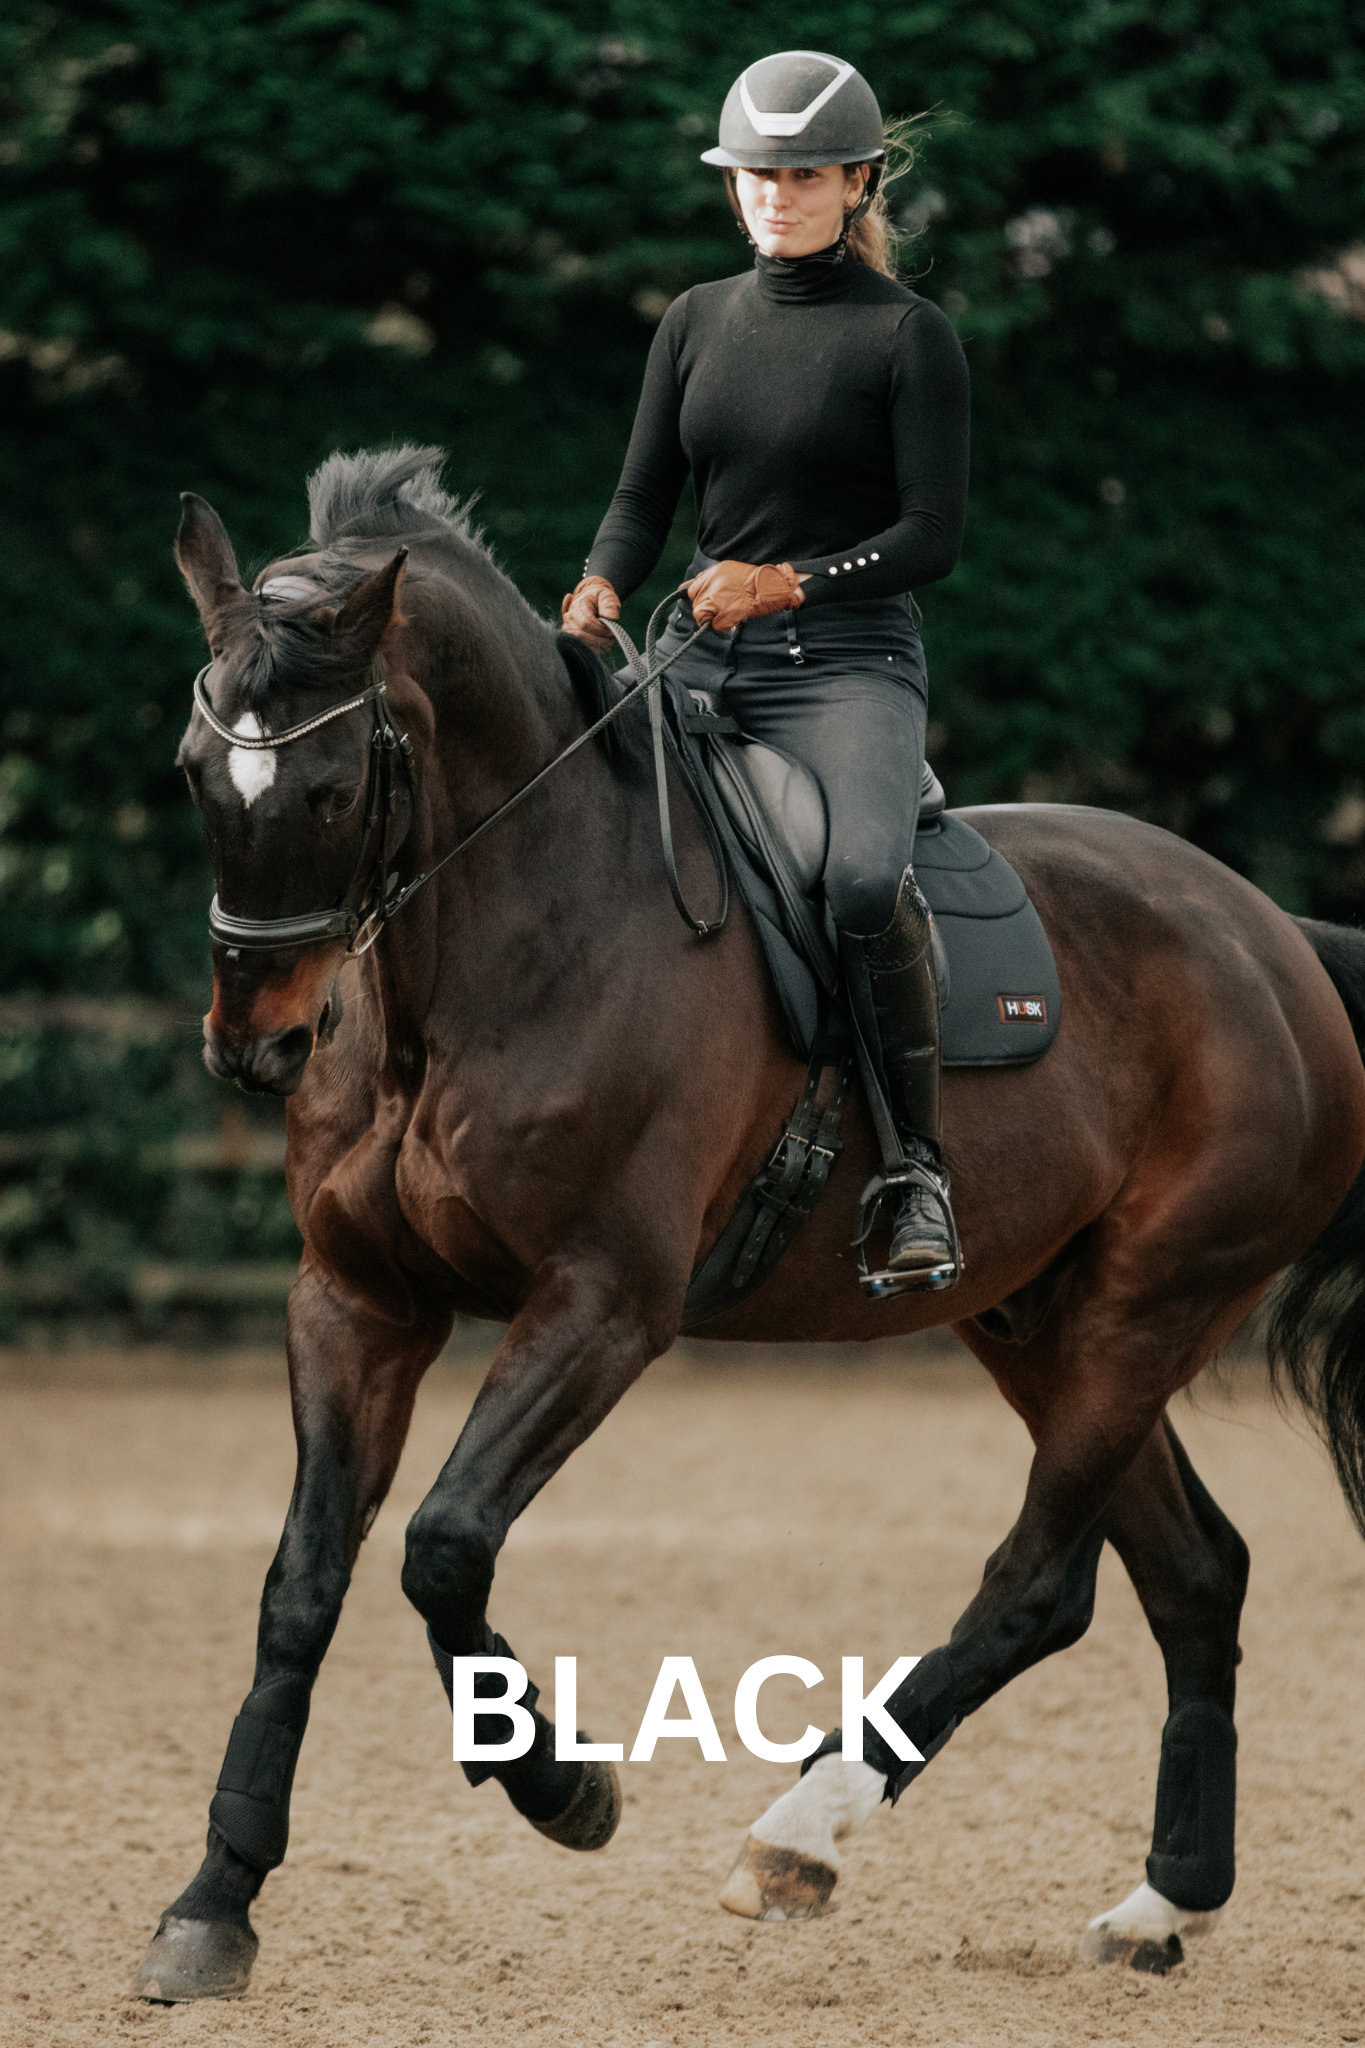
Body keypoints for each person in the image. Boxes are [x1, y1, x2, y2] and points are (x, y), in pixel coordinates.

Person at [561, 50, 970, 1285]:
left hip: (846, 667)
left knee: (860, 881)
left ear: (859, 181)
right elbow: (643, 497)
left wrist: (786, 581)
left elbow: (929, 537)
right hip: (697, 660)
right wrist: (598, 582)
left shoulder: (909, 337)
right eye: (754, 176)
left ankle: (916, 1172)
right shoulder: (694, 321)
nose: (774, 197)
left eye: (802, 176)